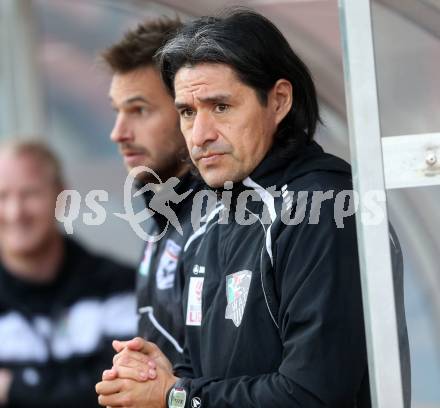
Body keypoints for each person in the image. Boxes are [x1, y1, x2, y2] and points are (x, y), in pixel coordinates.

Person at [96, 9, 410, 408]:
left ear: (278, 101)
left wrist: (174, 395)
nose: (201, 135)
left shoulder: (326, 210)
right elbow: (200, 381)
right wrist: (164, 377)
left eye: (221, 107)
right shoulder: (208, 220)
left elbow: (314, 393)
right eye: (188, 112)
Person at [0, 140, 136, 407]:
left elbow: (122, 390)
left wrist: (14, 390)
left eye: (29, 194)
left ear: (61, 197)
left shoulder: (118, 286)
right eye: (2, 196)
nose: (16, 212)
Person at [100, 17, 204, 365]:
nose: (118, 132)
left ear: (187, 110)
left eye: (139, 110)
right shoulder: (162, 217)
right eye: (117, 112)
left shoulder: (222, 221)